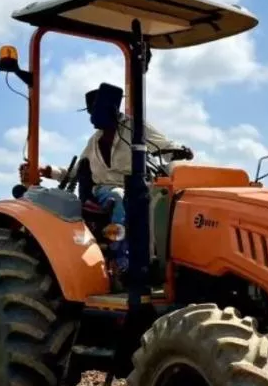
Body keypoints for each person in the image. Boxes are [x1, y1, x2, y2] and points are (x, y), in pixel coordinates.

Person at [35, 82, 191, 273]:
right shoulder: (93, 141)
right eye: (90, 113)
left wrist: (180, 151)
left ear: (110, 109)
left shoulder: (135, 128)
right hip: (105, 189)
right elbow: (77, 171)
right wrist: (49, 171)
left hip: (139, 186)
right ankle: (121, 261)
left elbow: (164, 145)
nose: (92, 118)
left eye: (95, 111)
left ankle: (158, 260)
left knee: (159, 202)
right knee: (118, 196)